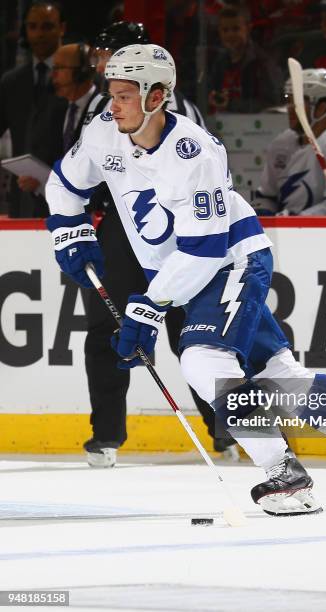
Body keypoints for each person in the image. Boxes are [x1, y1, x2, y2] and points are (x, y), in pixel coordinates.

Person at [44, 43, 326, 515]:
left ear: (156, 96)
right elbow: (65, 183)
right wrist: (69, 229)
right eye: (112, 93)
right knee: (279, 375)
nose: (114, 104)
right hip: (183, 270)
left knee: (202, 361)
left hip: (229, 261)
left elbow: (204, 250)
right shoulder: (105, 130)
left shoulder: (195, 153)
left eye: (125, 94)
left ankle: (283, 473)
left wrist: (149, 306)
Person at [74, 22, 236, 468]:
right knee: (108, 328)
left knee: (192, 328)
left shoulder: (179, 112)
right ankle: (106, 432)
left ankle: (224, 427)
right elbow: (80, 167)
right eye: (102, 54)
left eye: (110, 53)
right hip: (120, 225)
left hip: (177, 228)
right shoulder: (98, 106)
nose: (103, 63)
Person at [252, 68, 326, 216]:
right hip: (284, 232)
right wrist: (262, 213)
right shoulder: (281, 143)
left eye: (298, 102)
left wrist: (297, 220)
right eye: (289, 100)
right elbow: (267, 195)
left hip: (325, 236)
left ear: (322, 107)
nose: (290, 108)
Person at [0, 1, 67, 217]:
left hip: (66, 197)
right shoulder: (12, 82)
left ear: (62, 28)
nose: (39, 34)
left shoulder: (79, 79)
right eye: (33, 26)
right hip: (22, 198)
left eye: (47, 26)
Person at [208, 5, 283, 113]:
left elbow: (272, 104)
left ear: (248, 28)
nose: (230, 34)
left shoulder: (263, 62)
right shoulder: (219, 62)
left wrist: (231, 104)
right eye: (225, 30)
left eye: (236, 29)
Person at [52, 43, 103, 154]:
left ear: (82, 72)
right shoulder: (53, 107)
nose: (53, 75)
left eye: (59, 68)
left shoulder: (105, 110)